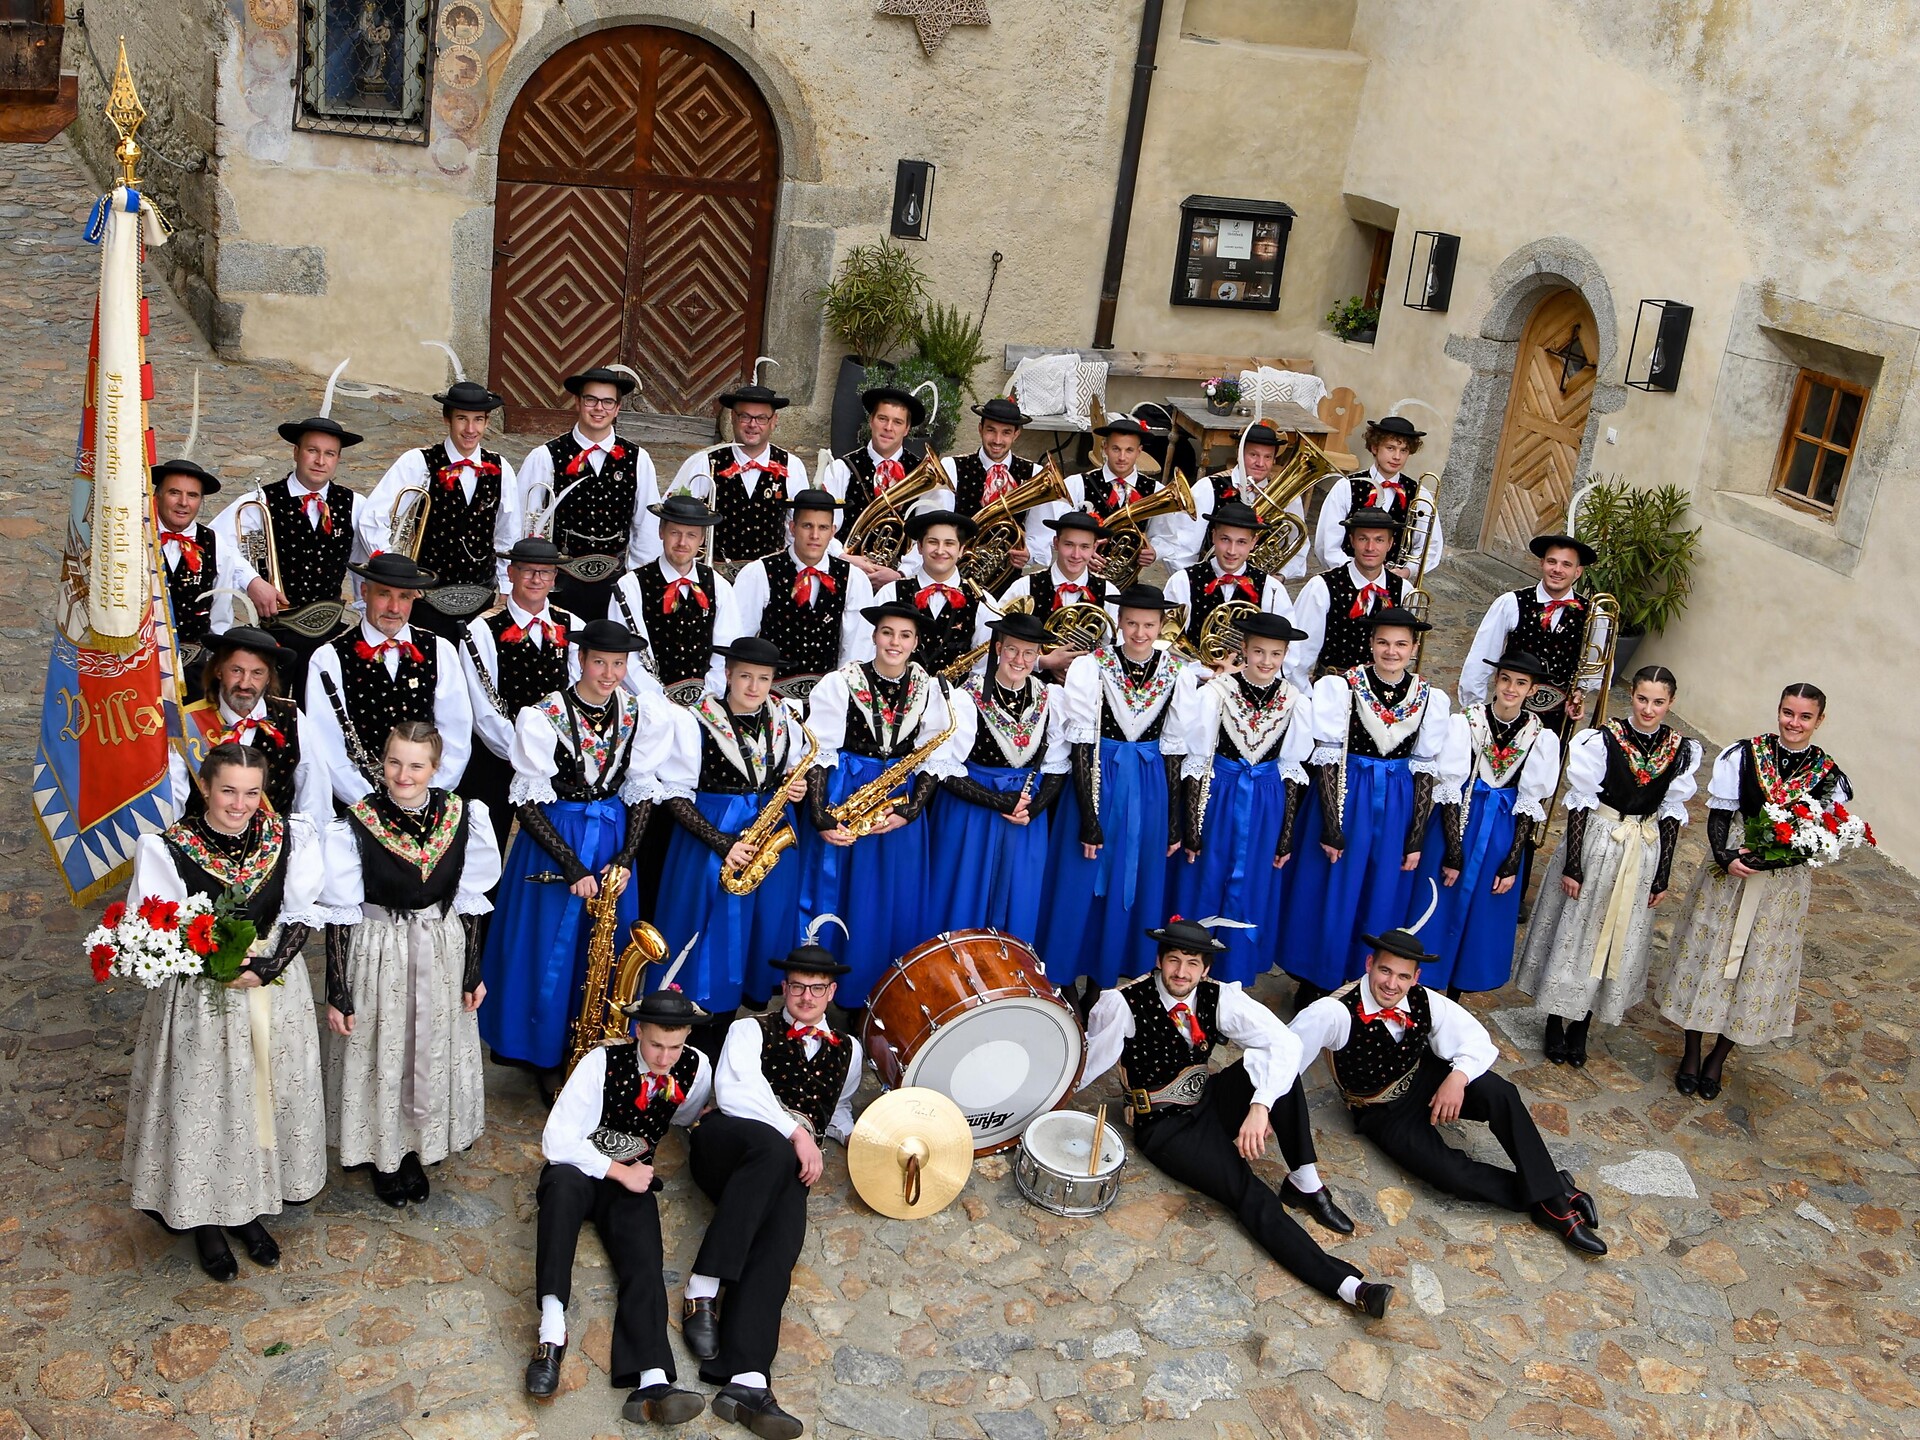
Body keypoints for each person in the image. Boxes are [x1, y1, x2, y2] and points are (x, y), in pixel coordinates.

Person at [1080, 917, 1388, 1316]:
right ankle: (1350, 1287)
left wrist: (1260, 1107)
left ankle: (1304, 1180)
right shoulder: (1125, 1003)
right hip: (1165, 1127)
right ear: (1159, 960)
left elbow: (1284, 1042)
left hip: (1207, 1100)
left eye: (1192, 964)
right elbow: (1085, 1065)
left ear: (1205, 968)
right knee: (1249, 1193)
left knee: (1279, 1067)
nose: (1181, 972)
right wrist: (1037, 1108)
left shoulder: (1216, 997)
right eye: (1174, 960)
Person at [122, 744, 329, 1280]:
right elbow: (157, 928)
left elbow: (301, 912)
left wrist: (266, 966)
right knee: (204, 1102)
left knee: (263, 1095)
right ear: (207, 789)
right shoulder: (168, 848)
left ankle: (249, 1209)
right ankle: (206, 1220)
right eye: (228, 791)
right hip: (203, 999)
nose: (240, 804)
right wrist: (215, 963)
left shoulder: (289, 836)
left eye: (252, 792)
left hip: (271, 988)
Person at [1289, 914, 1607, 1256]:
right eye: (1385, 971)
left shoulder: (1424, 999)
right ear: (1369, 963)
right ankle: (1552, 1192)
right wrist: (1260, 1107)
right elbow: (1286, 1054)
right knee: (1451, 1176)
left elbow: (1475, 1040)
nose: (1392, 984)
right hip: (1382, 1112)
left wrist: (1457, 1077)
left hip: (1427, 1079)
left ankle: (1553, 1205)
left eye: (1403, 976)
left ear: (1416, 977)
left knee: (1500, 1093)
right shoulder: (1334, 1011)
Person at [683, 940, 862, 1440]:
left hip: (784, 1174)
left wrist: (861, 1139)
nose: (806, 996)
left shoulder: (849, 1050)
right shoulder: (749, 1028)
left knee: (779, 1246)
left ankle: (746, 1380)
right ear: (784, 989)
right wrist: (798, 1133)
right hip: (727, 1147)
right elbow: (735, 1093)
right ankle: (702, 1288)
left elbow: (839, 1111)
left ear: (832, 992)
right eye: (798, 987)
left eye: (817, 988)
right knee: (775, 1151)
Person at [480, 618, 670, 1084]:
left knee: (605, 946)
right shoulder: (543, 715)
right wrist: (570, 865)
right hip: (555, 839)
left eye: (618, 664)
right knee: (547, 946)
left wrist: (625, 859)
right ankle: (541, 1052)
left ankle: (594, 1047)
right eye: (600, 662)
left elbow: (641, 790)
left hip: (610, 837)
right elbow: (526, 801)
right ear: (580, 660)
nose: (608, 674)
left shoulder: (637, 712)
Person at [320, 723, 501, 1204]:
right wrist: (337, 989)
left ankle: (421, 1143)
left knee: (432, 1044)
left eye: (416, 764)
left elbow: (471, 899)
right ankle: (386, 1154)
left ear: (435, 768)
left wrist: (472, 970)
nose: (404, 774)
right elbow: (339, 913)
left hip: (441, 947)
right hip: (379, 948)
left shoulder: (463, 815)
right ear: (383, 762)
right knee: (384, 1047)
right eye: (395, 762)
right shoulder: (357, 821)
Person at [1657, 684, 1854, 1100]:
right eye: (1787, 712)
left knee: (1756, 963)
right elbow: (1721, 813)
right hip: (1734, 870)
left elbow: (1816, 839)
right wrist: (1725, 856)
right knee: (1711, 955)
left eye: (1804, 716)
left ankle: (1718, 1058)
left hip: (1781, 886)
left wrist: (1775, 860)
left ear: (1820, 720)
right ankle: (1692, 1051)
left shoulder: (1827, 774)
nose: (1793, 723)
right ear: (1778, 711)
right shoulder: (1744, 755)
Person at [529, 987, 713, 1426]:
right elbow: (556, 1143)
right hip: (578, 1167)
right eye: (655, 1045)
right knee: (559, 1200)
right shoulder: (601, 1062)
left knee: (645, 1260)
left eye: (675, 1045)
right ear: (637, 1032)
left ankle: (651, 1379)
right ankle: (551, 1334)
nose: (665, 1057)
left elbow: (686, 1113)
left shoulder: (696, 1065)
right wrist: (619, 1171)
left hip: (632, 1177)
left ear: (687, 1036)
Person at [1516, 666, 1700, 1067]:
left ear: (1671, 703)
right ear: (1631, 695)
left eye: (1658, 702)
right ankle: (1554, 1018)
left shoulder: (1680, 750)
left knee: (1614, 934)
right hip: (1600, 838)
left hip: (1641, 848)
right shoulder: (1601, 740)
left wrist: (1663, 872)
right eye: (1642, 699)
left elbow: (1670, 813)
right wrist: (1573, 864)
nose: (1648, 709)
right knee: (1577, 930)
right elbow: (1581, 801)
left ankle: (1581, 1024)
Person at [1281, 607, 1455, 1007]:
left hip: (1397, 802)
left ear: (1413, 648)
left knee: (1381, 889)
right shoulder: (1343, 687)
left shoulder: (1430, 698)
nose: (1390, 652)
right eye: (1382, 642)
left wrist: (1414, 838)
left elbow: (1425, 770)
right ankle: (1316, 975)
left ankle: (1363, 979)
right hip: (1348, 793)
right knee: (1333, 885)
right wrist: (1331, 823)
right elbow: (1327, 755)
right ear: (1371, 644)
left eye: (1400, 644)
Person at [1038, 583, 1198, 999]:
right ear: (1119, 623)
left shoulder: (1178, 674)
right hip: (1096, 779)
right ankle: (1066, 973)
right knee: (1081, 875)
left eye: (1148, 624)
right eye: (1131, 623)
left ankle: (1103, 977)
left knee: (1133, 876)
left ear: (1162, 625)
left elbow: (1174, 751)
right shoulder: (1092, 667)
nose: (1140, 633)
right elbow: (1082, 744)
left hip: (1147, 788)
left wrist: (1174, 822)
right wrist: (1089, 817)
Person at [795, 601, 956, 1006]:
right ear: (873, 636)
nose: (894, 642)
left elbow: (935, 757)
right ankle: (826, 992)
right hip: (847, 793)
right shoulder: (842, 682)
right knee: (842, 892)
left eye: (904, 635)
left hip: (897, 799)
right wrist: (819, 814)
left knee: (892, 897)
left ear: (916, 642)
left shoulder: (930, 688)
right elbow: (819, 751)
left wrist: (911, 810)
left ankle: (885, 994)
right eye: (887, 633)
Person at [656, 637, 811, 1025]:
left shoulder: (784, 716)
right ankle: (703, 1012)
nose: (754, 687)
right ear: (727, 674)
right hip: (714, 829)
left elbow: (792, 773)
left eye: (763, 678)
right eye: (744, 676)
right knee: (711, 923)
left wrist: (797, 786)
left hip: (770, 828)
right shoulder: (695, 719)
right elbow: (675, 794)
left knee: (765, 919)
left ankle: (747, 1002)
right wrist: (721, 842)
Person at [1174, 612, 1315, 986]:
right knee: (1208, 873)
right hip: (1219, 795)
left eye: (1275, 654)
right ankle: (1193, 972)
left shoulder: (1295, 701)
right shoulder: (1217, 693)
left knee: (1252, 881)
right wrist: (1192, 826)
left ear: (1285, 655)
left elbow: (1291, 771)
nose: (1266, 662)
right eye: (1259, 652)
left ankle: (1232, 977)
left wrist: (1285, 835)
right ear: (1245, 651)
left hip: (1265, 802)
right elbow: (1197, 761)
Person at [1415, 648, 1562, 997]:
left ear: (1532, 690)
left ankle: (1455, 990)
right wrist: (1452, 849)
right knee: (1440, 898)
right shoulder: (1467, 721)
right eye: (1506, 679)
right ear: (1496, 680)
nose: (1511, 688)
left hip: (1501, 828)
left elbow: (1528, 804)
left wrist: (1512, 861)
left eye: (1521, 683)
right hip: (1461, 820)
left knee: (1481, 908)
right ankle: (1423, 982)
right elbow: (1450, 785)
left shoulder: (1540, 736)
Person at [926, 611, 1070, 943]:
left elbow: (1056, 765)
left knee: (1019, 896)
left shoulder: (1051, 698)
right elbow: (944, 767)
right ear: (998, 649)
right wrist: (995, 800)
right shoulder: (966, 697)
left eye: (1029, 653)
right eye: (1012, 650)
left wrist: (1033, 810)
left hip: (1023, 815)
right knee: (962, 895)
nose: (1019, 660)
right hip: (971, 812)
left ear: (1038, 657)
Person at [208, 409, 369, 703]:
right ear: (296, 452)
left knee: (322, 711)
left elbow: (362, 562)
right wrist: (253, 581)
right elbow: (214, 541)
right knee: (270, 711)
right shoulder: (260, 500)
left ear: (338, 459)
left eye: (329, 454)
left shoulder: (355, 504)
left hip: (328, 633)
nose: (320, 461)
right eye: (312, 451)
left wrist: (365, 611)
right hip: (277, 633)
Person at [358, 376, 522, 640]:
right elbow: (372, 518)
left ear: (487, 422)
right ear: (447, 419)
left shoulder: (501, 468)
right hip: (427, 602)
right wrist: (397, 575)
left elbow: (507, 535)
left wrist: (505, 586)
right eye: (462, 419)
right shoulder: (418, 462)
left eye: (478, 419)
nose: (470, 429)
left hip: (481, 601)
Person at [304, 552, 473, 805]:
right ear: (364, 592)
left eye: (404, 597)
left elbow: (456, 736)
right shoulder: (328, 658)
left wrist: (424, 795)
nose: (394, 608)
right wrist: (371, 805)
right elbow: (328, 749)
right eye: (384, 594)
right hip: (359, 805)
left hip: (424, 801)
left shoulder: (440, 650)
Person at [458, 537, 578, 854]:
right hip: (496, 759)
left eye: (545, 572)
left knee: (550, 852)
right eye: (528, 571)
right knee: (486, 849)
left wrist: (551, 754)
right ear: (511, 573)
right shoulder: (480, 630)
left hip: (554, 760)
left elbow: (578, 694)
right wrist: (524, 753)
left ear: (554, 578)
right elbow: (482, 710)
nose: (537, 579)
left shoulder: (574, 625)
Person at [516, 366, 660, 621]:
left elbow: (647, 528)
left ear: (617, 408)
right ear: (578, 402)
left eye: (607, 402)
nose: (599, 408)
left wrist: (638, 584)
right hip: (560, 584)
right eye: (591, 400)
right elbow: (524, 523)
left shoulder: (638, 459)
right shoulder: (545, 456)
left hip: (615, 584)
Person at [172, 627, 330, 825]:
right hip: (204, 849)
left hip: (274, 848)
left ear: (269, 678)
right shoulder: (185, 723)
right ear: (219, 670)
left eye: (257, 673)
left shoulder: (291, 717)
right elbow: (172, 805)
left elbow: (313, 797)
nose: (245, 683)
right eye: (236, 671)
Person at [657, 375, 811, 574]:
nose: (752, 425)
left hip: (770, 576)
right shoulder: (705, 461)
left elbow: (799, 527)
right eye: (745, 416)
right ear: (732, 418)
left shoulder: (792, 465)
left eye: (761, 418)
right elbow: (672, 516)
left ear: (774, 421)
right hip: (715, 577)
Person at [1458, 533, 1600, 732]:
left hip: (1558, 718)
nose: (1557, 570)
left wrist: (1580, 692)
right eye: (1552, 561)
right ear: (1541, 563)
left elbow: (1594, 666)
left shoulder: (1593, 614)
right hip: (1509, 710)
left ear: (1578, 571)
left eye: (1566, 564)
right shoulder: (1511, 603)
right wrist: (1473, 709)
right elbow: (1482, 657)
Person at [731, 489, 874, 685]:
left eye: (822, 527)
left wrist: (842, 695)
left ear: (832, 532)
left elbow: (856, 648)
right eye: (807, 526)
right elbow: (740, 638)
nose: (815, 535)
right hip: (772, 696)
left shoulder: (853, 579)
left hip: (828, 697)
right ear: (792, 527)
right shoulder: (759, 573)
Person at [609, 493, 739, 700]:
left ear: (702, 539)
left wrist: (706, 698)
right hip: (651, 706)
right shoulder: (631, 586)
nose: (682, 542)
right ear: (661, 532)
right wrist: (660, 700)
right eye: (675, 533)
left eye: (691, 535)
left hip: (705, 705)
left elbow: (725, 654)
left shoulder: (720, 586)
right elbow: (628, 660)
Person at [153, 456, 259, 697]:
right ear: (158, 495)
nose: (183, 503)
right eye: (174, 493)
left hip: (194, 669)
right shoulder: (135, 537)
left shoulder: (215, 544)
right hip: (141, 667)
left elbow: (220, 615)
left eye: (192, 495)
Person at [1159, 422, 1309, 583]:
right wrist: (1193, 584)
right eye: (1253, 455)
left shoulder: (1286, 494)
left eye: (1267, 457)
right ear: (1239, 453)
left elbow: (1298, 545)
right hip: (1210, 582)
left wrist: (1281, 575)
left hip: (1260, 585)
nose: (1260, 463)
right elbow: (1182, 549)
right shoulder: (1208, 487)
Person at [1285, 508, 1408, 690]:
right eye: (1363, 538)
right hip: (1332, 690)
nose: (1370, 547)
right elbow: (1298, 655)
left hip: (1384, 694)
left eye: (1379, 540)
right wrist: (1308, 699)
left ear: (1390, 544)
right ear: (1352, 541)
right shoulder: (1322, 587)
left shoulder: (1404, 589)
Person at [820, 385, 927, 589]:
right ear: (871, 421)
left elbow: (928, 534)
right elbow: (826, 524)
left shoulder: (921, 473)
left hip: (899, 581)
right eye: (882, 419)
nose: (888, 428)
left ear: (907, 429)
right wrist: (845, 558)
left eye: (897, 422)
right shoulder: (842, 468)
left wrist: (902, 572)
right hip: (848, 575)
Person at [1312, 415, 1444, 579]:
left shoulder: (1419, 494)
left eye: (1403, 450)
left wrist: (1408, 571)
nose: (1397, 456)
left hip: (1394, 583)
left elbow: (1430, 545)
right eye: (1390, 448)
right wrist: (1356, 574)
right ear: (1375, 448)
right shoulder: (1347, 487)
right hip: (1348, 579)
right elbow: (1327, 543)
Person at [1160, 499, 1293, 660]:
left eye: (1241, 542)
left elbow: (1288, 650)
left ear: (1253, 543)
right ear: (1214, 536)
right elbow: (1166, 643)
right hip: (1195, 678)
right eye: (1225, 539)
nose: (1232, 550)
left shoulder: (1271, 589)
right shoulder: (1182, 581)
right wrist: (1205, 672)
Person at [1026, 415, 1160, 573]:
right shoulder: (1076, 484)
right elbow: (1054, 533)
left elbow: (1164, 535)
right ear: (1104, 448)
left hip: (1127, 581)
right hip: (1080, 574)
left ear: (1139, 452)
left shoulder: (1155, 490)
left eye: (1129, 450)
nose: (1122, 457)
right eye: (1116, 449)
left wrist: (1155, 551)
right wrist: (1082, 554)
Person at [998, 511, 1118, 683]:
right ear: (1056, 543)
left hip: (1086, 690)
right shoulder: (1025, 586)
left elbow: (1116, 651)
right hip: (1032, 688)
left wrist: (1083, 667)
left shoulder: (1109, 593)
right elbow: (997, 643)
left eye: (1084, 547)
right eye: (1069, 545)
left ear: (1094, 548)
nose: (1076, 555)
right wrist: (1042, 662)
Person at [873, 509, 983, 678]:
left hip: (955, 701)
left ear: (962, 550)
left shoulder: (981, 601)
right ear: (920, 546)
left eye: (949, 544)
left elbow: (982, 668)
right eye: (933, 542)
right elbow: (868, 649)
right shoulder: (891, 592)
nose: (940, 550)